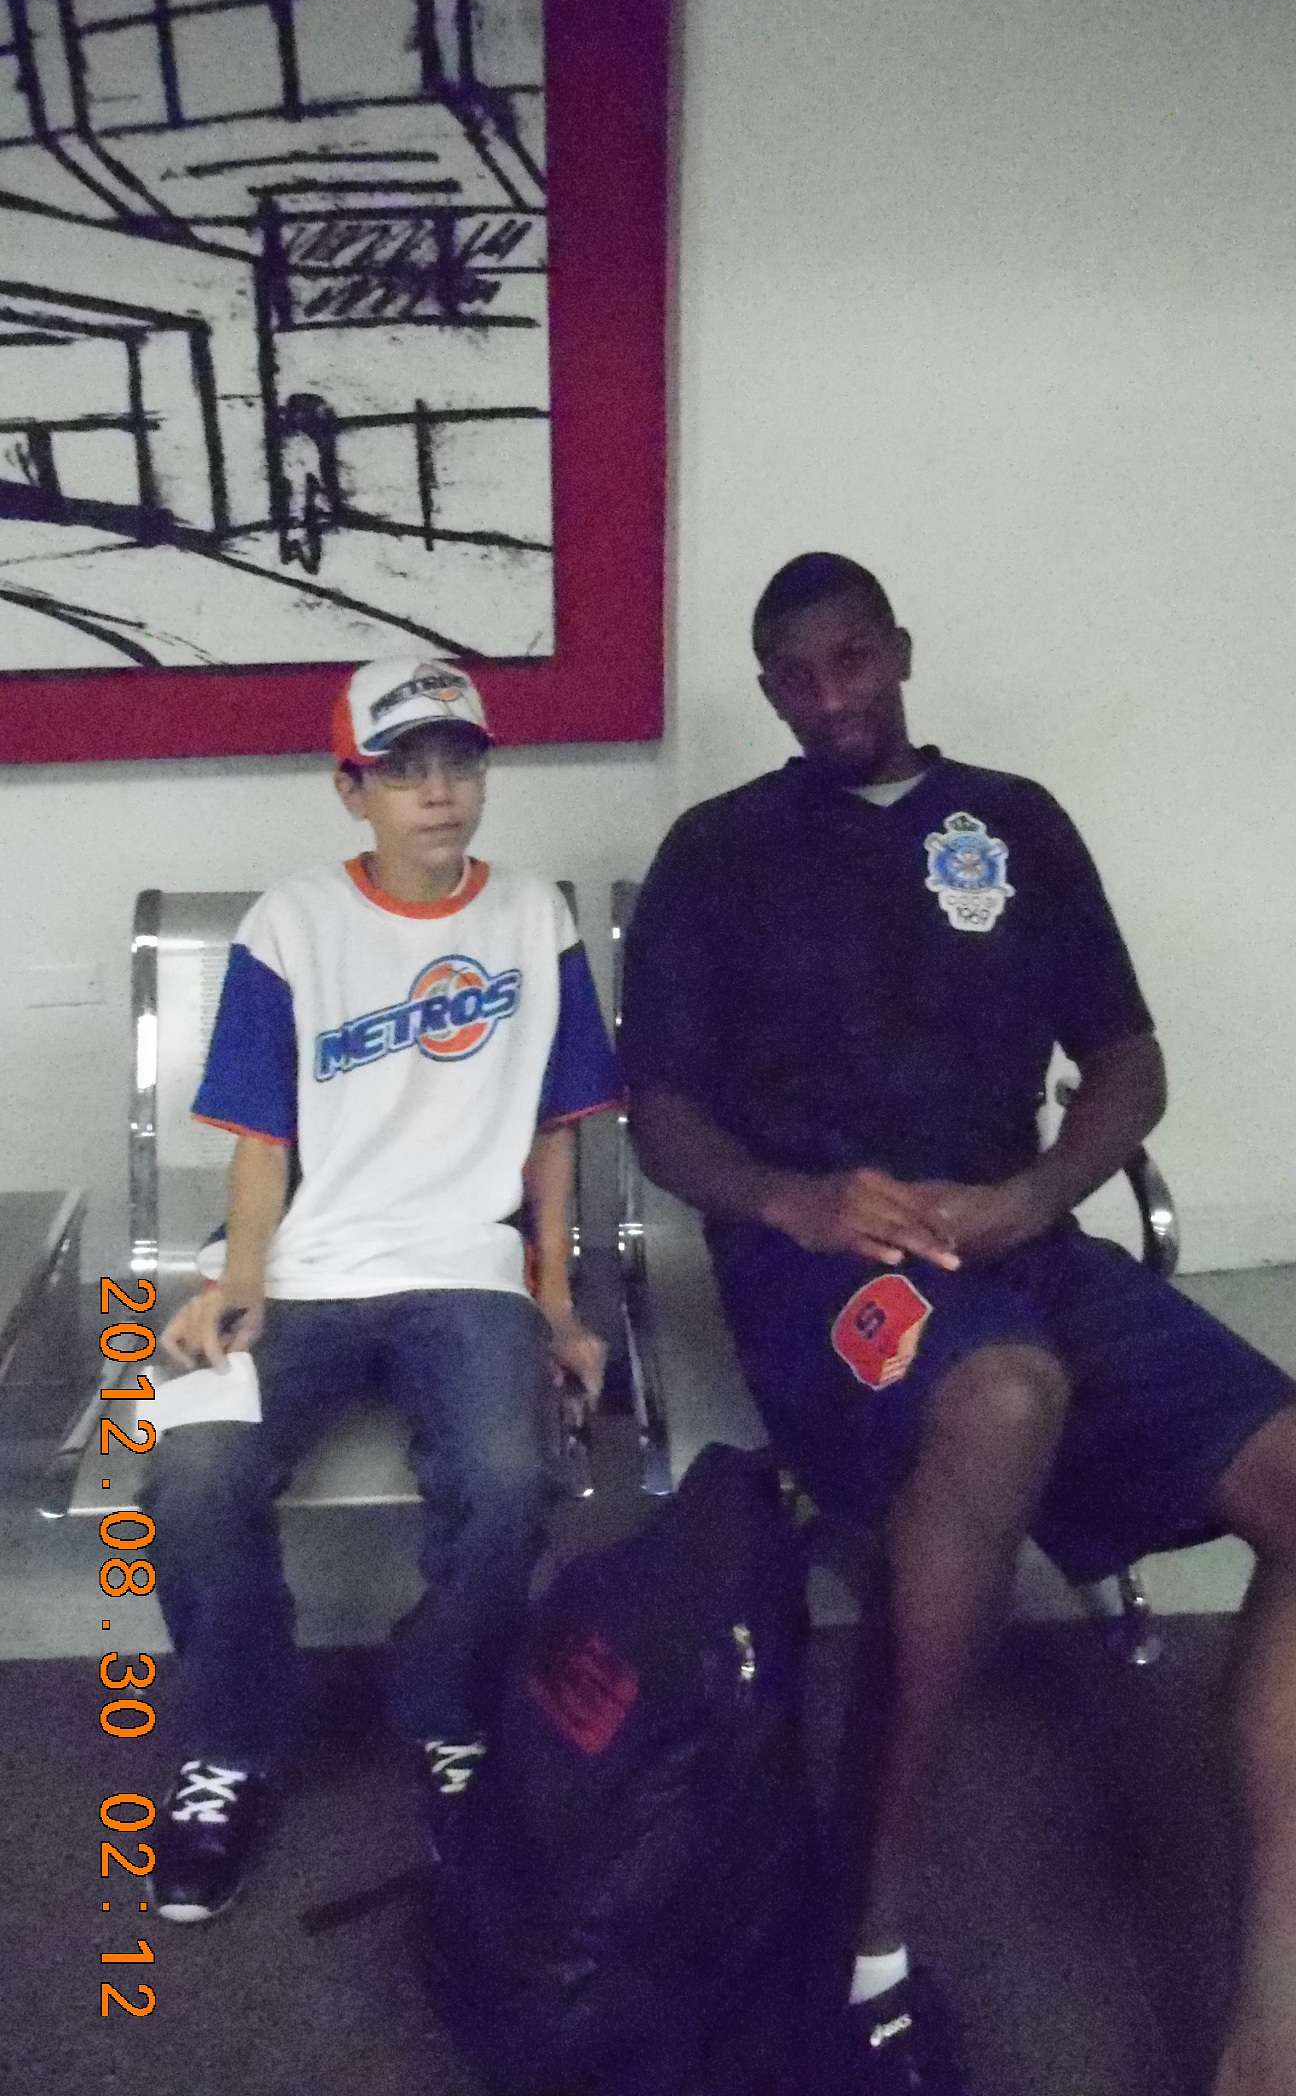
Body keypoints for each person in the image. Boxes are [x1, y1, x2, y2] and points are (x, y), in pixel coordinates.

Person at [618, 552, 1296, 2096]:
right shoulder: (717, 852)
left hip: (1021, 1235)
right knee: (1002, 1397)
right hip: (826, 1267)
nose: (831, 698)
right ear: (771, 690)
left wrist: (1039, 1193)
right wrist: (797, 1202)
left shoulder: (1018, 823)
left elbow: (1128, 1061)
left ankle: (1271, 2026)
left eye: (854, 659)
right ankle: (862, 1954)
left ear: (901, 650)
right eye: (798, 677)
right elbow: (661, 1115)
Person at [146, 656, 620, 1924]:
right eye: (404, 770)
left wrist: (557, 1302)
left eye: (459, 763)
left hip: (467, 1265)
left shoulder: (533, 918)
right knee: (190, 1467)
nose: (439, 792)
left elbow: (555, 1134)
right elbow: (262, 1141)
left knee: (509, 1478)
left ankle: (447, 1711)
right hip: (307, 1264)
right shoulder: (292, 925)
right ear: (350, 790)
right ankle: (232, 1747)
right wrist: (241, 1280)